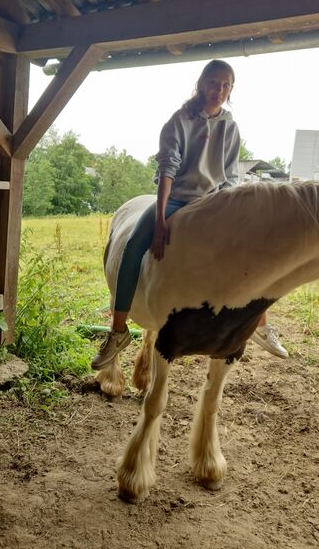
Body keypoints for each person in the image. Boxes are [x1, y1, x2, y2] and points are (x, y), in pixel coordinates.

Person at [92, 60, 287, 370]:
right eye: (213, 83)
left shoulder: (230, 127)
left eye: (225, 85)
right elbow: (168, 169)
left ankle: (261, 324)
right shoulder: (179, 121)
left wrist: (231, 209)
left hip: (213, 201)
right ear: (201, 84)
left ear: (231, 90)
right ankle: (117, 331)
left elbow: (229, 177)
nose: (219, 90)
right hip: (178, 198)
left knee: (252, 250)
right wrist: (158, 221)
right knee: (132, 247)